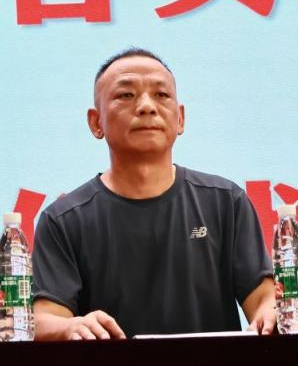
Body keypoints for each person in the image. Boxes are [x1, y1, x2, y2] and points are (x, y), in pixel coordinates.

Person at [31, 49, 276, 340]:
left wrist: (270, 312)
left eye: (161, 95)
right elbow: (45, 320)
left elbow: (263, 297)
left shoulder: (226, 202)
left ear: (180, 118)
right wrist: (71, 327)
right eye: (126, 95)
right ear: (96, 122)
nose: (147, 106)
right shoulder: (63, 220)